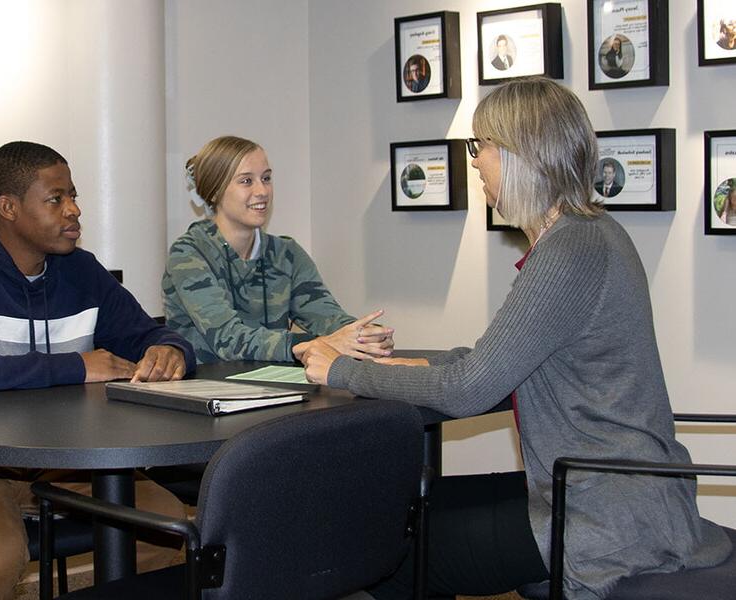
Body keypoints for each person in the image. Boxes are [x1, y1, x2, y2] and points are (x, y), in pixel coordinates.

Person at [298, 77, 732, 600]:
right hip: (605, 489)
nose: (476, 162)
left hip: (605, 514)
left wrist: (338, 369)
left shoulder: (569, 251)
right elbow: (510, 363)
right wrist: (409, 369)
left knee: (394, 547)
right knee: (413, 508)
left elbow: (469, 390)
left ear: (519, 157)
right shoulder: (590, 233)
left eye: (481, 147)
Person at [0, 141, 197, 600]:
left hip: (65, 459)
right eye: (56, 199)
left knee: (172, 529)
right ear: (8, 207)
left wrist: (171, 350)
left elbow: (148, 333)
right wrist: (75, 366)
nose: (74, 210)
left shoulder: (81, 270)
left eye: (73, 195)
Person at [162, 135, 394, 364]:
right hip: (208, 390)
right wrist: (313, 346)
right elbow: (228, 340)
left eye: (266, 178)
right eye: (246, 181)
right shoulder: (188, 254)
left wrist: (364, 336)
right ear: (214, 191)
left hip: (273, 387)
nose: (262, 191)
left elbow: (327, 318)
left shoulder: (286, 253)